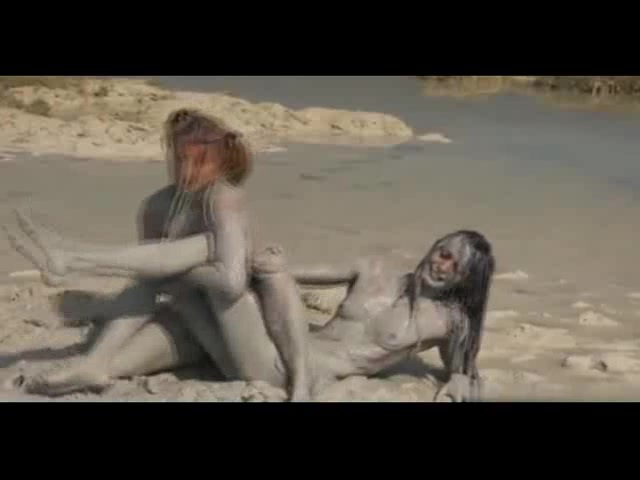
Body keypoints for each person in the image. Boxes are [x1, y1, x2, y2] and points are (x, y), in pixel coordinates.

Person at [7, 212, 495, 402]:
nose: (441, 263)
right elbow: (287, 273)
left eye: (455, 264)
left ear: (466, 280)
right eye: (442, 250)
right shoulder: (374, 268)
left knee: (203, 255)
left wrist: (458, 378)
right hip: (263, 342)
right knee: (182, 291)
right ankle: (98, 367)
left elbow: (462, 370)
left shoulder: (448, 321)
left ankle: (78, 260)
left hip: (285, 370)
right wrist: (272, 262)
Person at [5, 108, 312, 401]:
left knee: (195, 250)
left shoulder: (224, 197)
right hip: (199, 331)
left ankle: (76, 257)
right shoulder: (156, 207)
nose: (186, 171)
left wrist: (172, 270)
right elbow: (149, 286)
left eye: (199, 162)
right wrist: (154, 283)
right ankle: (96, 364)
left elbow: (231, 284)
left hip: (249, 350)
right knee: (120, 355)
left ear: (220, 162)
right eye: (179, 160)